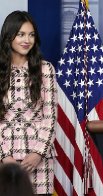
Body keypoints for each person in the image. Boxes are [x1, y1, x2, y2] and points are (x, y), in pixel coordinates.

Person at [0, 11, 57, 195]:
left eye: (31, 35)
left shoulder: (45, 69)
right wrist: (4, 156)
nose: (27, 40)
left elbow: (50, 117)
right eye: (21, 34)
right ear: (9, 36)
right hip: (3, 154)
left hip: (37, 159)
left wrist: (38, 153)